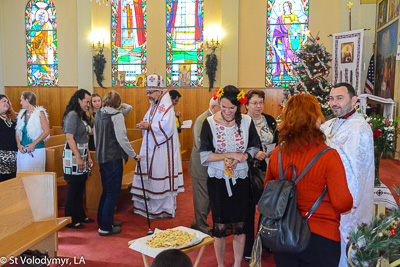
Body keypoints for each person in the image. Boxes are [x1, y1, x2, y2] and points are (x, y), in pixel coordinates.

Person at [265, 93, 353, 267]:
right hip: (321, 236)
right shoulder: (328, 156)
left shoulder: (278, 153)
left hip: (283, 234)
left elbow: (268, 192)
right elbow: (343, 204)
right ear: (315, 118)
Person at [200, 85, 261, 267]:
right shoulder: (209, 123)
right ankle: (220, 264)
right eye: (223, 106)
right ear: (218, 103)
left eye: (232, 108)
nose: (227, 111)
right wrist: (231, 155)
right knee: (220, 225)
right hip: (218, 181)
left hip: (240, 180)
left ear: (239, 106)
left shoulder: (247, 121)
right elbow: (205, 156)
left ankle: (236, 264)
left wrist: (245, 156)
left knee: (240, 225)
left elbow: (254, 147)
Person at [321, 83, 374, 267]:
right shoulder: (328, 125)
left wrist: (343, 200)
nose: (334, 103)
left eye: (339, 98)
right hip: (328, 199)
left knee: (348, 250)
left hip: (348, 202)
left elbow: (358, 172)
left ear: (353, 100)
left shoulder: (360, 128)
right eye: (331, 98)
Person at [131, 73, 184, 219]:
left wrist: (149, 126)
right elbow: (149, 121)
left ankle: (161, 209)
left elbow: (167, 127)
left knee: (159, 175)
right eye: (147, 92)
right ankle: (147, 206)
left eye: (150, 92)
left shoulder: (166, 107)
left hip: (162, 150)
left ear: (159, 92)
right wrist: (144, 125)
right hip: (150, 146)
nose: (148, 95)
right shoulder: (154, 105)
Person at [94, 91, 140, 236]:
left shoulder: (99, 114)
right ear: (118, 104)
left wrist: (116, 105)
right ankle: (105, 228)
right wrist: (133, 155)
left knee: (106, 192)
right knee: (112, 194)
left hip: (101, 157)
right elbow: (122, 139)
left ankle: (104, 221)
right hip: (113, 158)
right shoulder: (117, 116)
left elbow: (95, 137)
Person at [243, 89, 279, 261]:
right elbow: (236, 144)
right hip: (247, 172)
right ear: (246, 105)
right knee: (248, 212)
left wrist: (273, 152)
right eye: (254, 103)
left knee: (267, 209)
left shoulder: (270, 120)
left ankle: (266, 241)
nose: (258, 106)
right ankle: (248, 247)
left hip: (268, 170)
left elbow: (277, 141)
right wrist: (253, 153)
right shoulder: (242, 121)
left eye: (261, 103)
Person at [62, 89, 94, 229]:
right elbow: (70, 138)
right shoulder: (72, 115)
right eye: (86, 101)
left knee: (80, 187)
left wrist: (89, 156)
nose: (88, 104)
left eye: (89, 102)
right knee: (73, 188)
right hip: (73, 155)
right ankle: (70, 219)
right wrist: (79, 158)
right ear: (79, 100)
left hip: (82, 153)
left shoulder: (82, 115)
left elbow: (84, 138)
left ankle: (80, 215)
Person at [189, 97, 220, 235]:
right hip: (201, 167)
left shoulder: (214, 119)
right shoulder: (202, 120)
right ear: (213, 108)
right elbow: (200, 143)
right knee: (202, 198)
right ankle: (201, 226)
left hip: (211, 165)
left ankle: (197, 222)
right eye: (222, 108)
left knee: (208, 198)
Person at [16, 91, 50, 172]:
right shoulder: (21, 114)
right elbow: (17, 131)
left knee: (35, 176)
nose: (20, 102)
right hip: (23, 150)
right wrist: (18, 145)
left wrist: (33, 144)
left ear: (27, 101)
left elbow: (46, 131)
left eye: (22, 100)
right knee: (23, 176)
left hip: (37, 149)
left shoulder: (40, 113)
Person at [0, 95, 18, 182]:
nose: (6, 103)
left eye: (8, 102)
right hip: (1, 155)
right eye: (4, 101)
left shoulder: (14, 117)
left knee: (12, 180)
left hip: (14, 154)